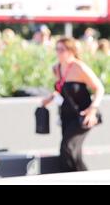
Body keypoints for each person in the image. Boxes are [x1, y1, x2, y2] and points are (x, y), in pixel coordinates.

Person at [42, 37, 104, 172]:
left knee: (67, 146)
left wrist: (92, 110)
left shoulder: (79, 67)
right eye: (56, 49)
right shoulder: (57, 68)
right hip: (66, 114)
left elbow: (99, 88)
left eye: (61, 49)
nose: (58, 52)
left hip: (83, 115)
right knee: (72, 151)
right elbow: (61, 89)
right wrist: (50, 98)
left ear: (71, 51)